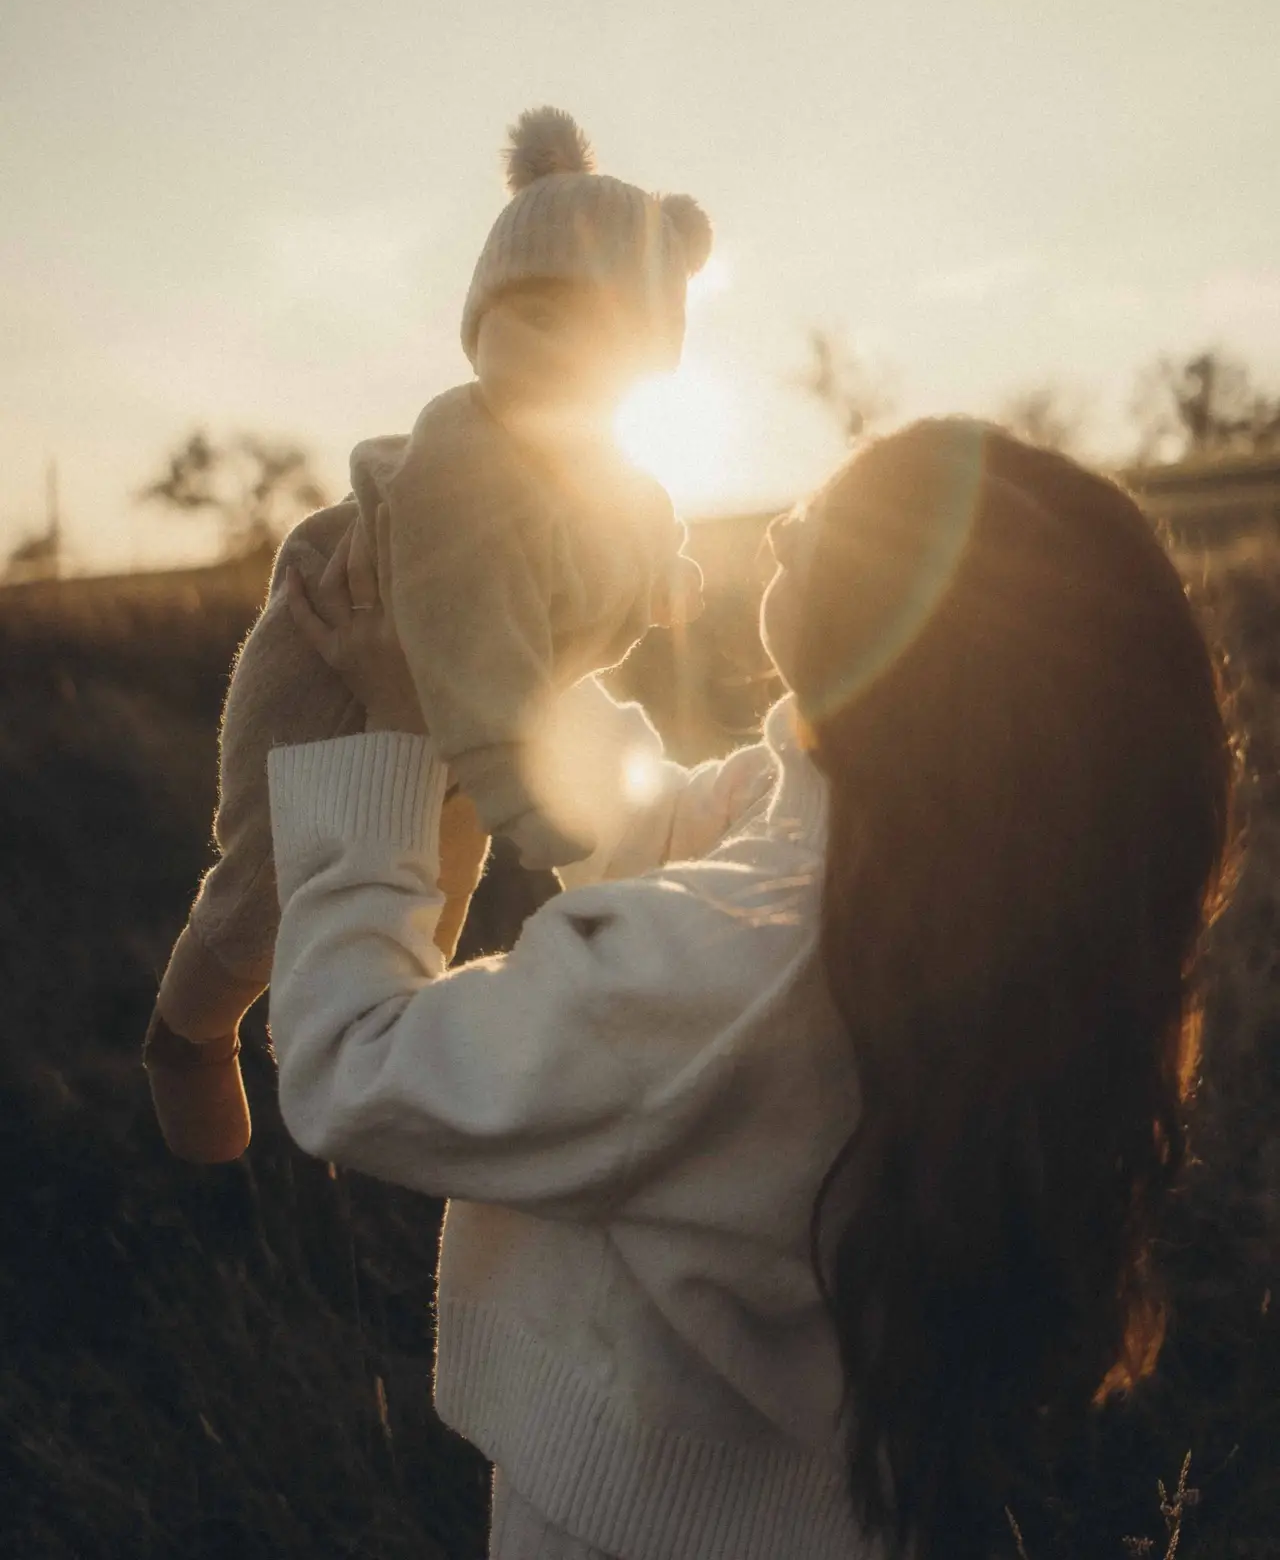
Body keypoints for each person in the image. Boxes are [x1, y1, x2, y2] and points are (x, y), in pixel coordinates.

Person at [269, 419, 1235, 1560]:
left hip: (625, 1528)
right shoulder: (932, 874)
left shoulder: (712, 972)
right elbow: (669, 822)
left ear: (907, 628)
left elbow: (352, 1062)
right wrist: (474, 665)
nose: (786, 520)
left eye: (833, 517)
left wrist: (387, 743)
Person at [143, 107, 709, 1164]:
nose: (551, 355)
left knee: (439, 880)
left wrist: (663, 579)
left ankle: (374, 1022)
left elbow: (632, 540)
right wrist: (504, 767)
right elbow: (459, 617)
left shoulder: (614, 473)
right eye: (525, 318)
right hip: (335, 671)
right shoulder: (468, 457)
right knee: (272, 878)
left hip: (470, 708)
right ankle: (191, 1032)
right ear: (475, 324)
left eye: (595, 333)